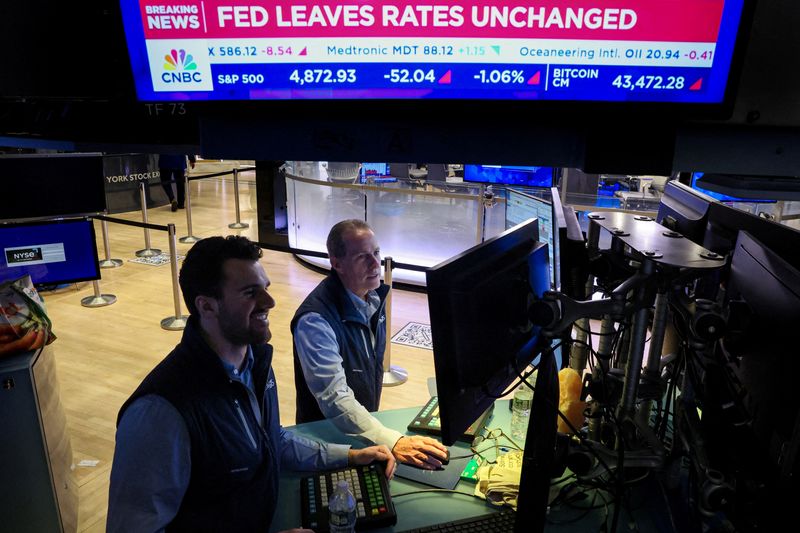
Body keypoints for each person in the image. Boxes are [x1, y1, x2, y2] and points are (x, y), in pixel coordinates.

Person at [107, 235, 394, 532]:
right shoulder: (158, 413)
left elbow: (271, 442)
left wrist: (347, 456)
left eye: (266, 289)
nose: (269, 302)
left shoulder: (254, 362)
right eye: (249, 293)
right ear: (206, 306)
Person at [292, 219, 448, 470]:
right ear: (337, 263)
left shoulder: (373, 298)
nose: (376, 264)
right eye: (362, 257)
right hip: (328, 444)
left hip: (364, 432)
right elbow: (334, 397)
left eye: (376, 252)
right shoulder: (315, 321)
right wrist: (393, 441)